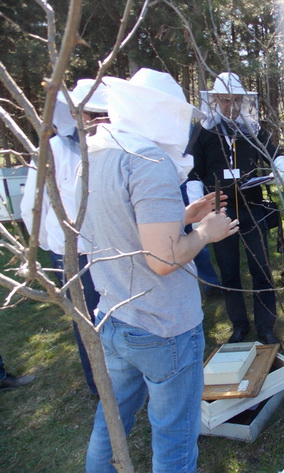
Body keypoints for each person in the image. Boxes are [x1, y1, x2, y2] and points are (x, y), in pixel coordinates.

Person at [81, 68, 238, 473]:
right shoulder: (148, 160)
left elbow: (126, 229)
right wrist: (204, 231)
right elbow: (163, 260)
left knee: (110, 426)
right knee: (174, 436)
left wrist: (182, 216)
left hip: (115, 316)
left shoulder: (97, 153)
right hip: (163, 326)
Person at [21, 79, 109, 395]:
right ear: (76, 113)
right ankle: (98, 384)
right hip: (73, 253)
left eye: (103, 112)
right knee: (86, 322)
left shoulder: (112, 147)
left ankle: (123, 377)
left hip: (111, 249)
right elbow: (34, 203)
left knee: (116, 315)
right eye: (91, 112)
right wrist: (51, 247)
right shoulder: (54, 150)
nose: (97, 119)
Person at [187, 72, 284, 345]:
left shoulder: (252, 129)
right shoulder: (203, 132)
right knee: (229, 270)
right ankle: (239, 325)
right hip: (219, 211)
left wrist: (282, 166)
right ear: (216, 100)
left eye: (235, 100)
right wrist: (200, 212)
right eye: (224, 100)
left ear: (243, 100)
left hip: (252, 206)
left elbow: (275, 152)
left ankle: (266, 326)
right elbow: (193, 173)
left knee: (261, 268)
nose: (230, 106)